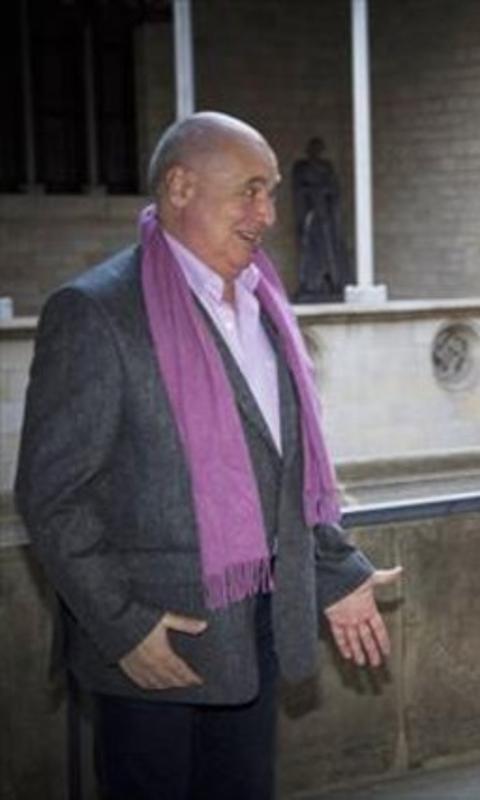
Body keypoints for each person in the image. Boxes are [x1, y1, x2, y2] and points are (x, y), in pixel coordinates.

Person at [15, 111, 401, 800]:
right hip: (154, 647)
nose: (269, 214)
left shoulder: (264, 304)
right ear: (180, 187)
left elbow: (280, 468)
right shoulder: (96, 311)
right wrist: (124, 627)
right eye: (249, 191)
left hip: (255, 633)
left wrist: (336, 571)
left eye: (271, 192)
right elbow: (53, 495)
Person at [292, 136, 350, 302]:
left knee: (330, 250)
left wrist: (324, 193)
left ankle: (333, 280)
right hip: (310, 215)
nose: (316, 152)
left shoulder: (326, 167)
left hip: (326, 217)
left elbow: (334, 189)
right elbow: (298, 190)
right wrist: (313, 193)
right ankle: (309, 284)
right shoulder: (301, 167)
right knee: (309, 251)